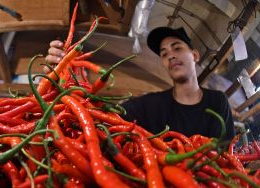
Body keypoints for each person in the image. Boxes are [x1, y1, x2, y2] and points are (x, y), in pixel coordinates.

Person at [45, 27, 235, 141]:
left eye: (177, 48)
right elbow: (104, 117)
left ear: (194, 55)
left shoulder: (218, 101)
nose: (171, 55)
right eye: (164, 53)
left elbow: (227, 154)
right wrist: (68, 81)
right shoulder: (151, 105)